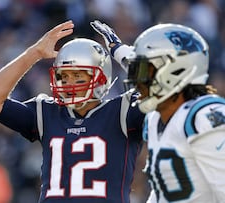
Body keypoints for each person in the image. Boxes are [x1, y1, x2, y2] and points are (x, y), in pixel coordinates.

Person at [0, 20, 145, 203]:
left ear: (101, 77)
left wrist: (121, 52)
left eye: (78, 75)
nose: (69, 83)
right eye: (64, 76)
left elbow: (159, 89)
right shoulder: (47, 112)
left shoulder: (122, 111)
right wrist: (34, 53)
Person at [91, 21, 225, 202]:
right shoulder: (157, 118)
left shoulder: (204, 116)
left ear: (176, 71)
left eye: (146, 71)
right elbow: (163, 192)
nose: (138, 80)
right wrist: (117, 49)